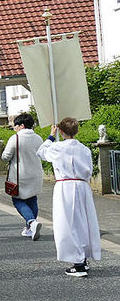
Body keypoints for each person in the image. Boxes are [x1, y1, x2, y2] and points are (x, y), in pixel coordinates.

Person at [37, 118, 102, 277]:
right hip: (82, 186)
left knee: (68, 223)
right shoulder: (85, 149)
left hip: (65, 186)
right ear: (77, 131)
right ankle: (83, 258)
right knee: (83, 222)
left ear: (60, 131)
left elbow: (41, 151)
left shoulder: (57, 148)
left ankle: (78, 262)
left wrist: (51, 136)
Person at [1, 113, 45, 240]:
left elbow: (5, 157)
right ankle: (29, 228)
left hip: (20, 175)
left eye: (16, 125)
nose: (15, 128)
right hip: (36, 174)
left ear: (21, 125)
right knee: (32, 199)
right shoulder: (38, 138)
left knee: (18, 200)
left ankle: (31, 222)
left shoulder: (15, 138)